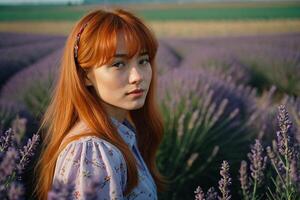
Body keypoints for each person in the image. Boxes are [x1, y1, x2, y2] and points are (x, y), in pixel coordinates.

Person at [34, 8, 168, 200]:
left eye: (143, 60)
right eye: (118, 64)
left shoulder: (119, 133)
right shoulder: (92, 151)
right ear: (85, 75)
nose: (137, 76)